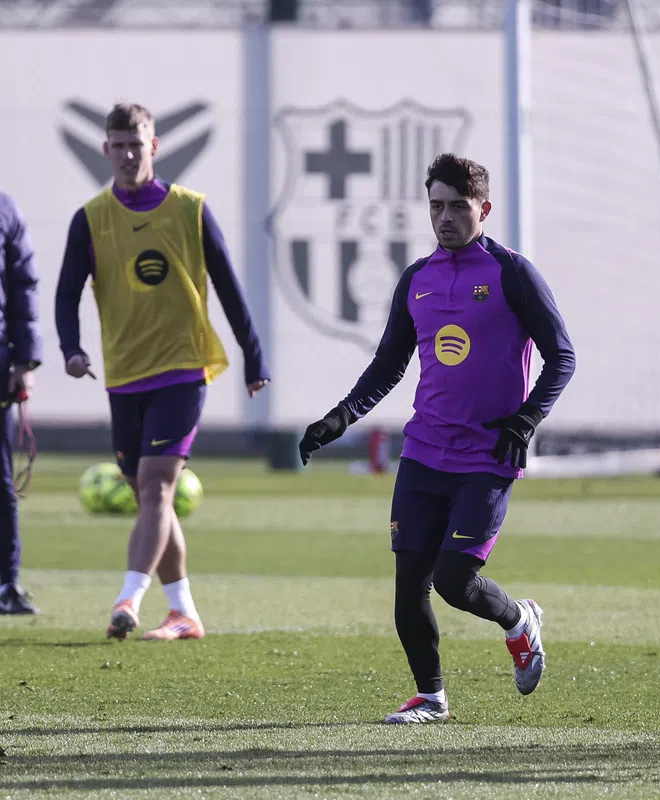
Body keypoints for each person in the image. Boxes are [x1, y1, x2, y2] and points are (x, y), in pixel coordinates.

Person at [298, 153, 575, 724]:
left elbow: (562, 356)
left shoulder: (511, 273)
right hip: (424, 452)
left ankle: (519, 620)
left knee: (454, 579)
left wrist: (527, 419)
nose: (445, 217)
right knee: (409, 589)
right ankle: (431, 698)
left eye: (457, 207)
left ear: (484, 209)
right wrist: (340, 417)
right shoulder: (417, 279)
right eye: (436, 206)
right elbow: (388, 364)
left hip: (488, 455)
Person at [55, 102, 270, 641]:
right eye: (119, 145)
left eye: (137, 145)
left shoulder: (190, 209)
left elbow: (228, 284)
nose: (128, 155)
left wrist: (253, 354)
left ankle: (128, 599)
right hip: (124, 373)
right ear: (105, 149)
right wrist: (70, 349)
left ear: (154, 146)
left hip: (182, 368)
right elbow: (65, 293)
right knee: (151, 495)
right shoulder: (90, 218)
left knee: (154, 487)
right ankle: (183, 612)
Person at [0, 190, 42, 615]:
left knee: (1, 482)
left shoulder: (4, 207)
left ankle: (5, 585)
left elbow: (22, 283)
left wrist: (25, 359)